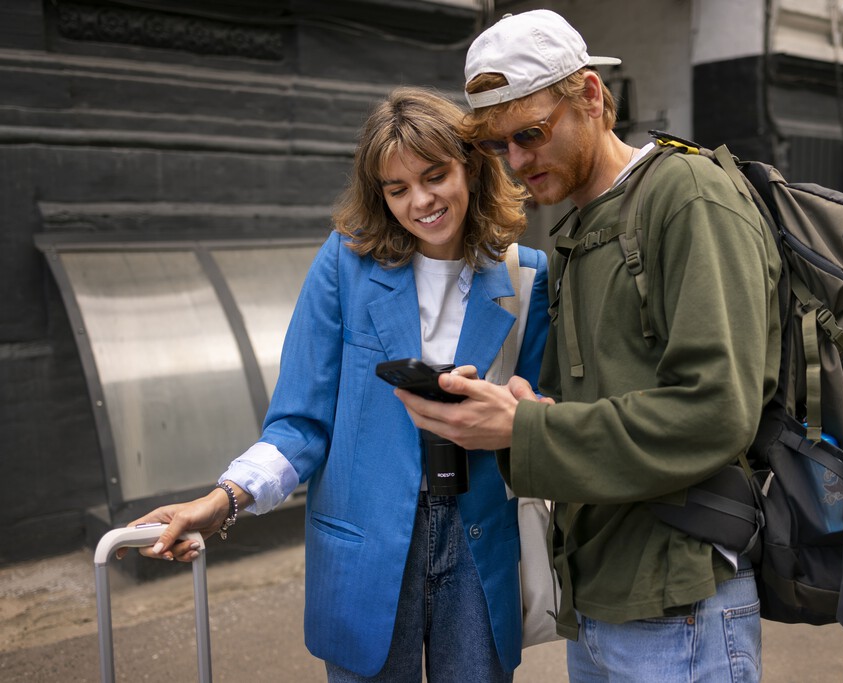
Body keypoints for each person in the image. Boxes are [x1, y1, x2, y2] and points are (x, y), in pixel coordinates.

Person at [395, 10, 781, 683]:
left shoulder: (688, 196)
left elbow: (717, 410)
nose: (516, 162)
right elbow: (593, 407)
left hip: (680, 603)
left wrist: (527, 427)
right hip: (599, 600)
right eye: (497, 146)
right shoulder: (580, 230)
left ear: (593, 98)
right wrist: (516, 410)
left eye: (531, 134)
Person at [121, 86, 550, 682]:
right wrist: (223, 501)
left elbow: (541, 421)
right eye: (397, 189)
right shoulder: (346, 263)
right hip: (364, 546)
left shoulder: (526, 276)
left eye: (435, 176)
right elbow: (300, 423)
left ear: (471, 167)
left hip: (480, 544)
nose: (420, 201)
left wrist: (511, 412)